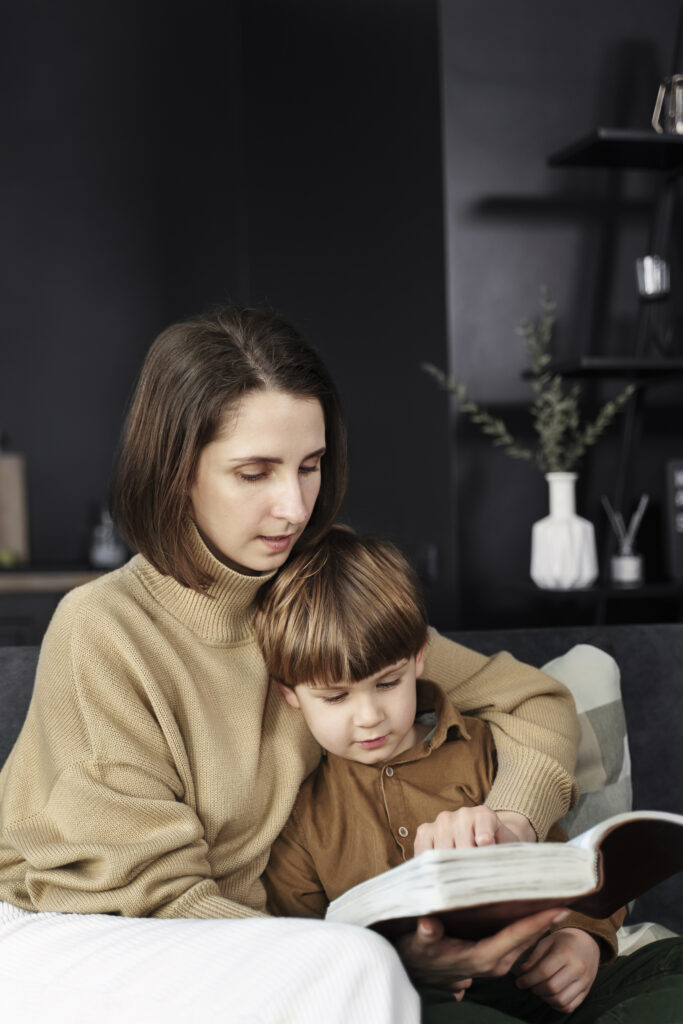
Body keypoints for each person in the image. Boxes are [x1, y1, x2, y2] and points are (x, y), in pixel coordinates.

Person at [0, 306, 580, 1024]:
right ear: (176, 473)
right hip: (78, 933)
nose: (295, 507)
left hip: (255, 941)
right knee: (358, 968)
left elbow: (534, 701)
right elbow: (155, 901)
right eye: (255, 473)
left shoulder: (312, 592)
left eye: (310, 466)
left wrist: (512, 823)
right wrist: (377, 956)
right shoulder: (103, 629)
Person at [259, 526, 683, 1023]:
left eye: (388, 683)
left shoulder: (483, 748)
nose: (369, 716)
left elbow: (572, 872)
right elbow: (310, 958)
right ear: (290, 695)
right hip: (429, 997)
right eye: (335, 697)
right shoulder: (301, 816)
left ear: (420, 656)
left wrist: (582, 940)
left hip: (540, 980)